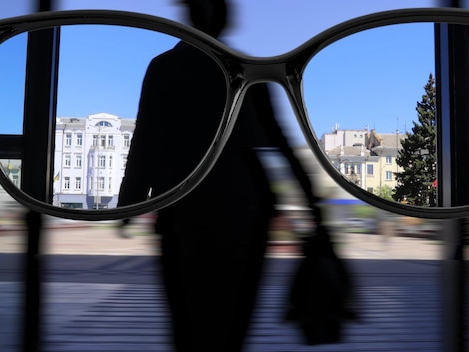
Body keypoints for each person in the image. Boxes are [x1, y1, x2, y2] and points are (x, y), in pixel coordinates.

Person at [117, 1, 323, 350]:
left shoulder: (165, 68)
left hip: (183, 216)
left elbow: (145, 142)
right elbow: (281, 144)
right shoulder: (251, 71)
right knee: (232, 326)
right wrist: (316, 212)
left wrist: (128, 205)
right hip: (244, 217)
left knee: (187, 327)